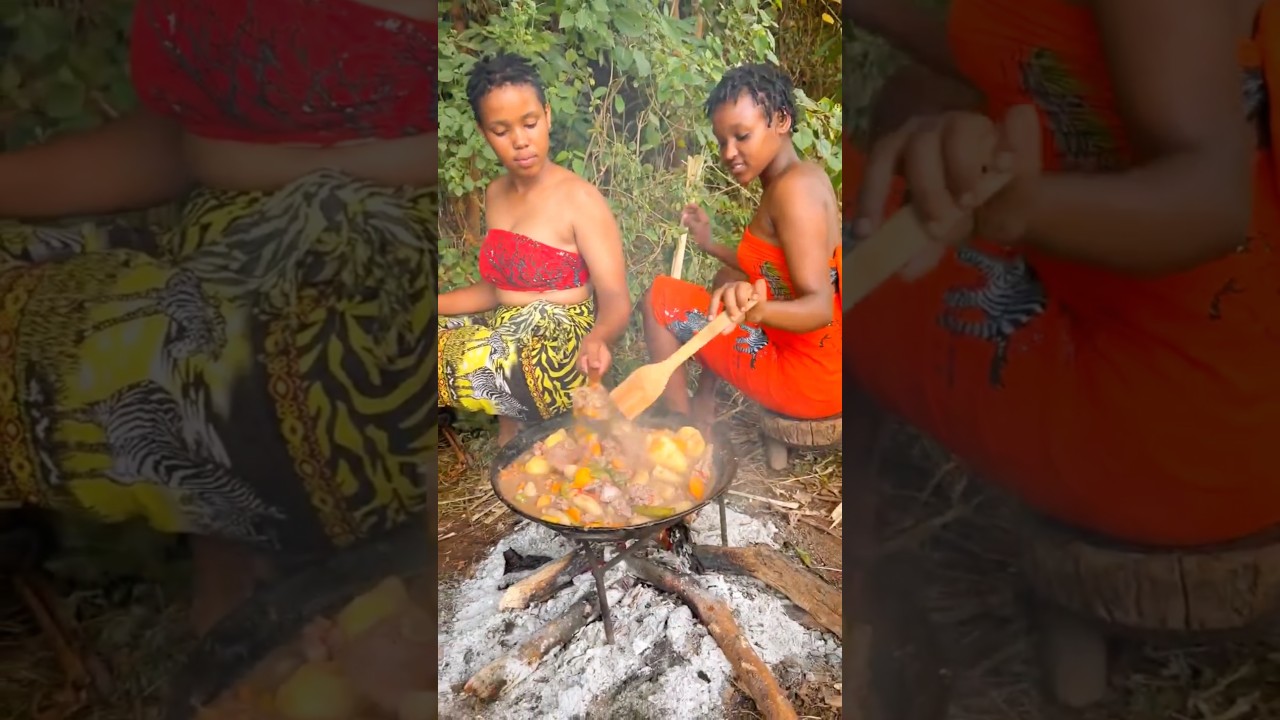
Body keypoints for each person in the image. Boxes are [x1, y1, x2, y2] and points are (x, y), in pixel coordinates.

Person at [0, 0, 435, 634]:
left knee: (305, 364)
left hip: (390, 262)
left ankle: (310, 585)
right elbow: (198, 136)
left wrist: (296, 169)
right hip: (232, 253)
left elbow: (523, 126)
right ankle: (249, 562)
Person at [845, 0, 1280, 548]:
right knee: (913, 98)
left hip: (1182, 436)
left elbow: (1213, 204)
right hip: (1229, 382)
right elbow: (1038, 50)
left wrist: (1019, 211)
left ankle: (851, 541)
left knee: (820, 240)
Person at [438, 53, 631, 445]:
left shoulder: (580, 198)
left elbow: (615, 296)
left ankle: (527, 428)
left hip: (556, 353)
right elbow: (500, 290)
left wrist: (600, 337)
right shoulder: (495, 193)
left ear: (547, 116)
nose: (520, 141)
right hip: (506, 339)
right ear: (484, 133)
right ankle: (515, 434)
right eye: (501, 130)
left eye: (530, 123)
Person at [642, 63, 843, 428]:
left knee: (659, 297)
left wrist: (757, 311)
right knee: (727, 277)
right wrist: (710, 244)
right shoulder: (798, 177)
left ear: (781, 120)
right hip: (824, 369)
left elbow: (820, 308)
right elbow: (772, 267)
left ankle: (679, 428)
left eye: (742, 136)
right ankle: (704, 403)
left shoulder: (793, 193)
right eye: (723, 141)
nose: (729, 153)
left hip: (806, 381)